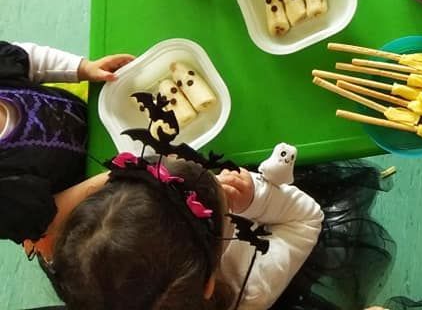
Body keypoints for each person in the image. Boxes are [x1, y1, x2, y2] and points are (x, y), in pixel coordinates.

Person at [48, 139, 393, 309]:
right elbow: (307, 219)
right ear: (209, 284)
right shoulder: (251, 287)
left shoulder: (91, 280)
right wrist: (256, 198)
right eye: (223, 209)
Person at [0, 40, 133, 246]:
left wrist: (83, 68)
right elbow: (49, 217)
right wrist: (113, 176)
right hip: (89, 189)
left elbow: (27, 59)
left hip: (89, 116)